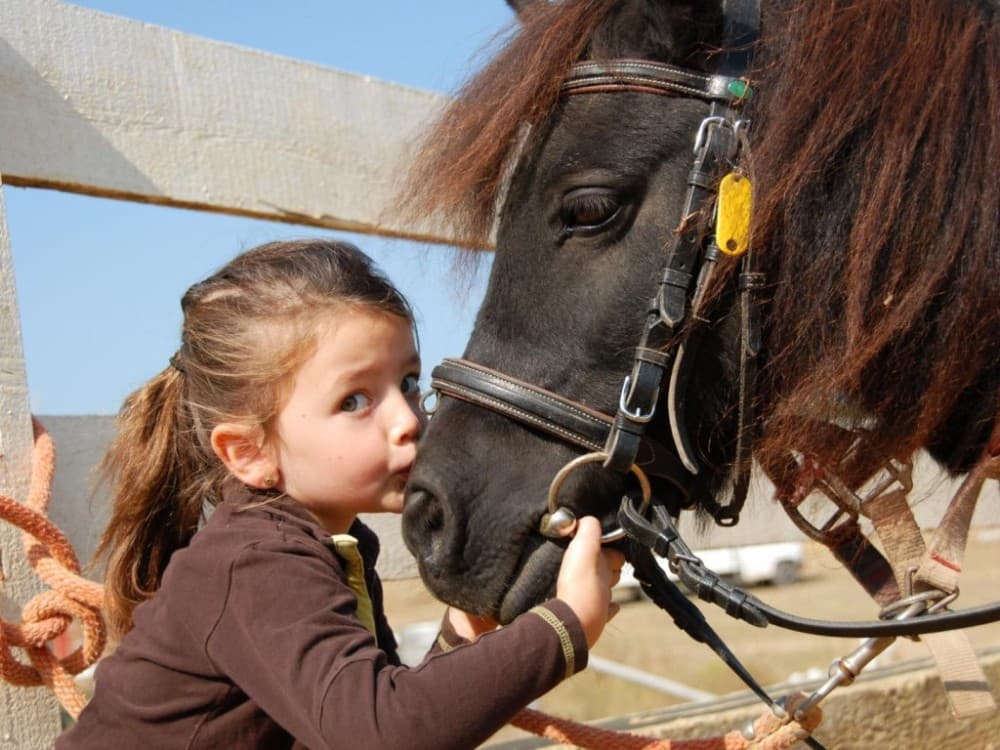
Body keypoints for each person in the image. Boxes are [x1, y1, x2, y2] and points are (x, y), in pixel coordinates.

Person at [58, 239, 623, 749]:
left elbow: (365, 713)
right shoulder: (256, 563)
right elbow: (382, 734)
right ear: (249, 453)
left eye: (407, 382)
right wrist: (566, 626)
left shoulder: (323, 542)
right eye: (354, 400)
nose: (408, 418)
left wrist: (462, 634)